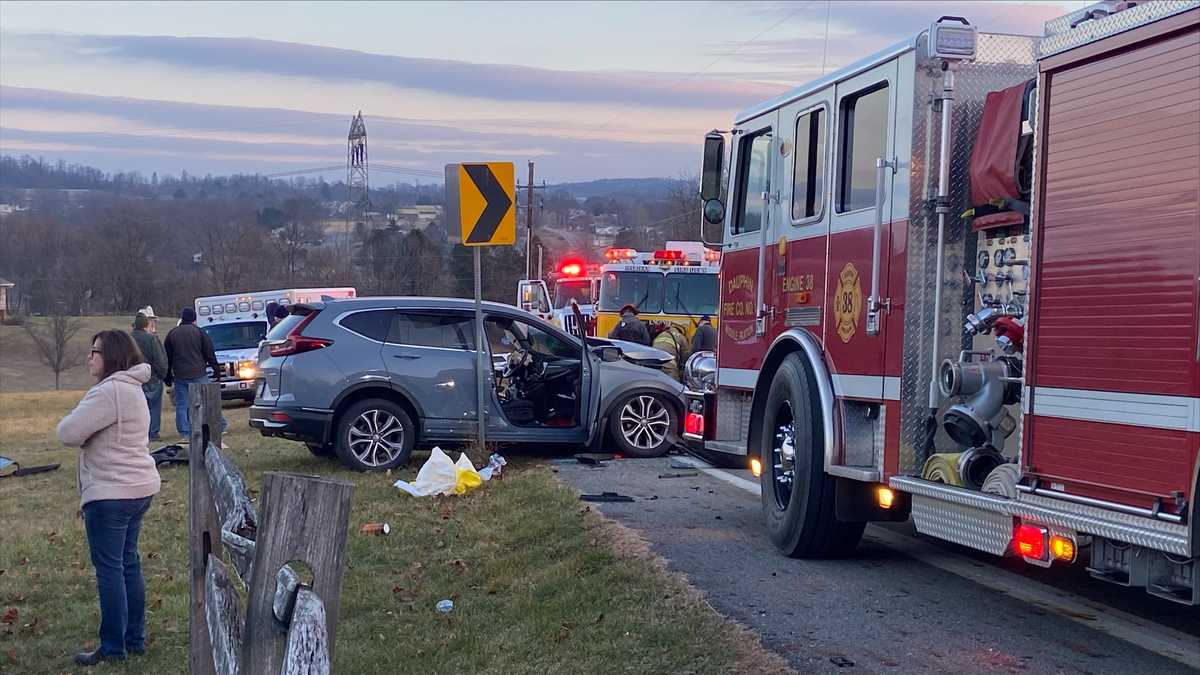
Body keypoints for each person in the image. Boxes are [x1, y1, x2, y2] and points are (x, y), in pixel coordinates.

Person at [57, 330, 161, 666]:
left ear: (111, 356)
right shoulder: (132, 389)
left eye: (95, 351)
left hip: (111, 492)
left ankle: (114, 648)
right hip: (138, 488)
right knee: (128, 563)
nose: (89, 357)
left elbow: (67, 433)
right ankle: (135, 640)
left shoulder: (109, 392)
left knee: (111, 569)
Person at [164, 307, 226, 440]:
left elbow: (167, 358)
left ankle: (185, 432)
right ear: (194, 319)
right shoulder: (199, 332)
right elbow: (209, 351)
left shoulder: (172, 334)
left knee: (182, 405)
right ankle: (220, 425)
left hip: (180, 375)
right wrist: (216, 369)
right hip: (199, 373)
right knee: (209, 400)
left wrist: (168, 377)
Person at [131, 310, 168, 441]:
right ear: (146, 325)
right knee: (153, 408)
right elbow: (160, 360)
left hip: (133, 380)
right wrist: (162, 375)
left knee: (137, 410)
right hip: (152, 378)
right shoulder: (151, 339)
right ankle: (152, 434)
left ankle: (138, 434)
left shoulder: (128, 339)